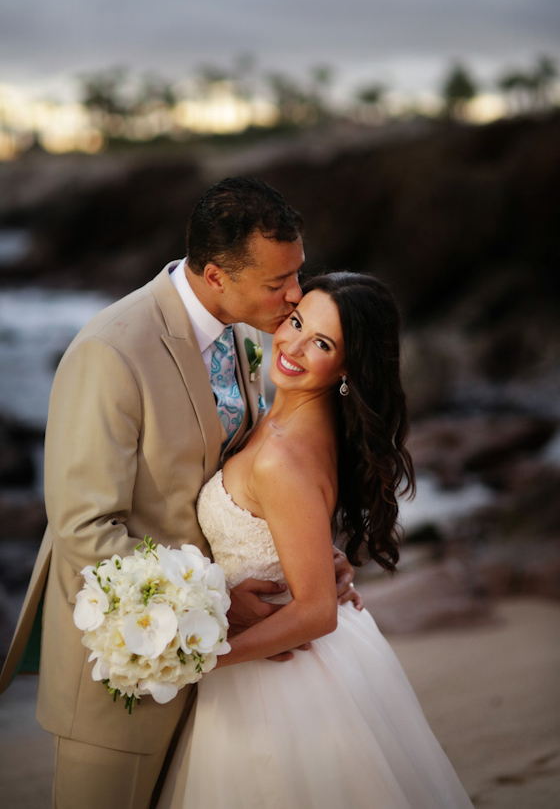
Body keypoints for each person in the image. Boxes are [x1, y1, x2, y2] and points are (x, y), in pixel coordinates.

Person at [0, 177, 359, 809]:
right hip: (127, 670)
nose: (295, 295)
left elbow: (253, 481)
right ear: (217, 274)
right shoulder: (111, 353)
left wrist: (305, 564)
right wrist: (222, 603)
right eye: (278, 283)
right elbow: (86, 529)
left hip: (223, 677)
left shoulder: (253, 331)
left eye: (297, 273)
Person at [157, 272, 475, 809]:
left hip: (280, 674)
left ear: (348, 367)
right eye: (298, 322)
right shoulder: (291, 418)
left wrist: (201, 658)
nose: (294, 346)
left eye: (322, 344)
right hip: (282, 649)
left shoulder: (284, 454)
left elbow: (316, 613)